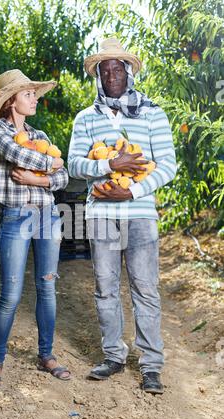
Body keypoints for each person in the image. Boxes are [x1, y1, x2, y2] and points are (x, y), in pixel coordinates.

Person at [68, 38, 177, 394]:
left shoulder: (152, 113)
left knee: (145, 288)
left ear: (128, 72)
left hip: (140, 213)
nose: (112, 75)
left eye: (118, 68)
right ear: (98, 76)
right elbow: (74, 165)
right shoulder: (86, 118)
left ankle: (151, 366)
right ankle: (114, 355)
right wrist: (110, 165)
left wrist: (130, 190)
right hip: (101, 213)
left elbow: (167, 166)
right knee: (105, 287)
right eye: (105, 70)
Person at [0, 69, 70, 388]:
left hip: (47, 216)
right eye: (28, 94)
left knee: (47, 287)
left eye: (34, 93)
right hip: (16, 216)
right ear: (10, 101)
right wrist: (52, 164)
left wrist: (37, 178)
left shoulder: (41, 136)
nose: (34, 99)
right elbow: (18, 154)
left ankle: (46, 355)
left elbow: (63, 178)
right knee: (11, 294)